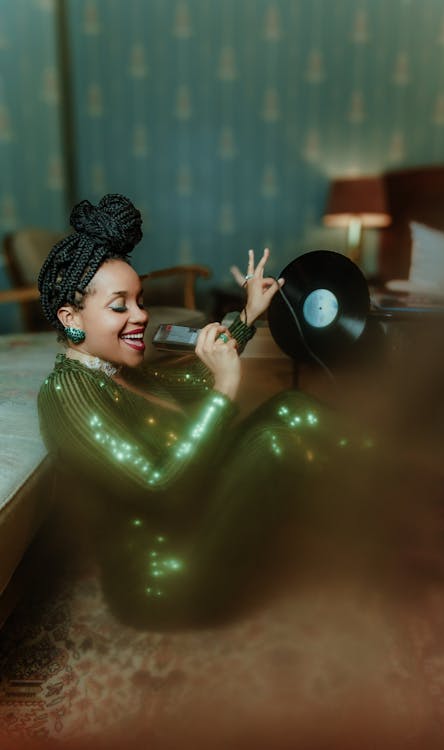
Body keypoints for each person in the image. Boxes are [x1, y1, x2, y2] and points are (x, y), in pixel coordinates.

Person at [37, 194, 357, 629]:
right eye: (119, 306)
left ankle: (402, 493)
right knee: (272, 443)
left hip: (190, 530)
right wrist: (226, 388)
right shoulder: (66, 393)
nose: (141, 316)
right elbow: (160, 486)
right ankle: (399, 510)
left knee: (291, 404)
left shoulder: (114, 370)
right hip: (165, 582)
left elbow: (193, 383)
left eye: (140, 301)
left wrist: (246, 317)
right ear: (70, 318)